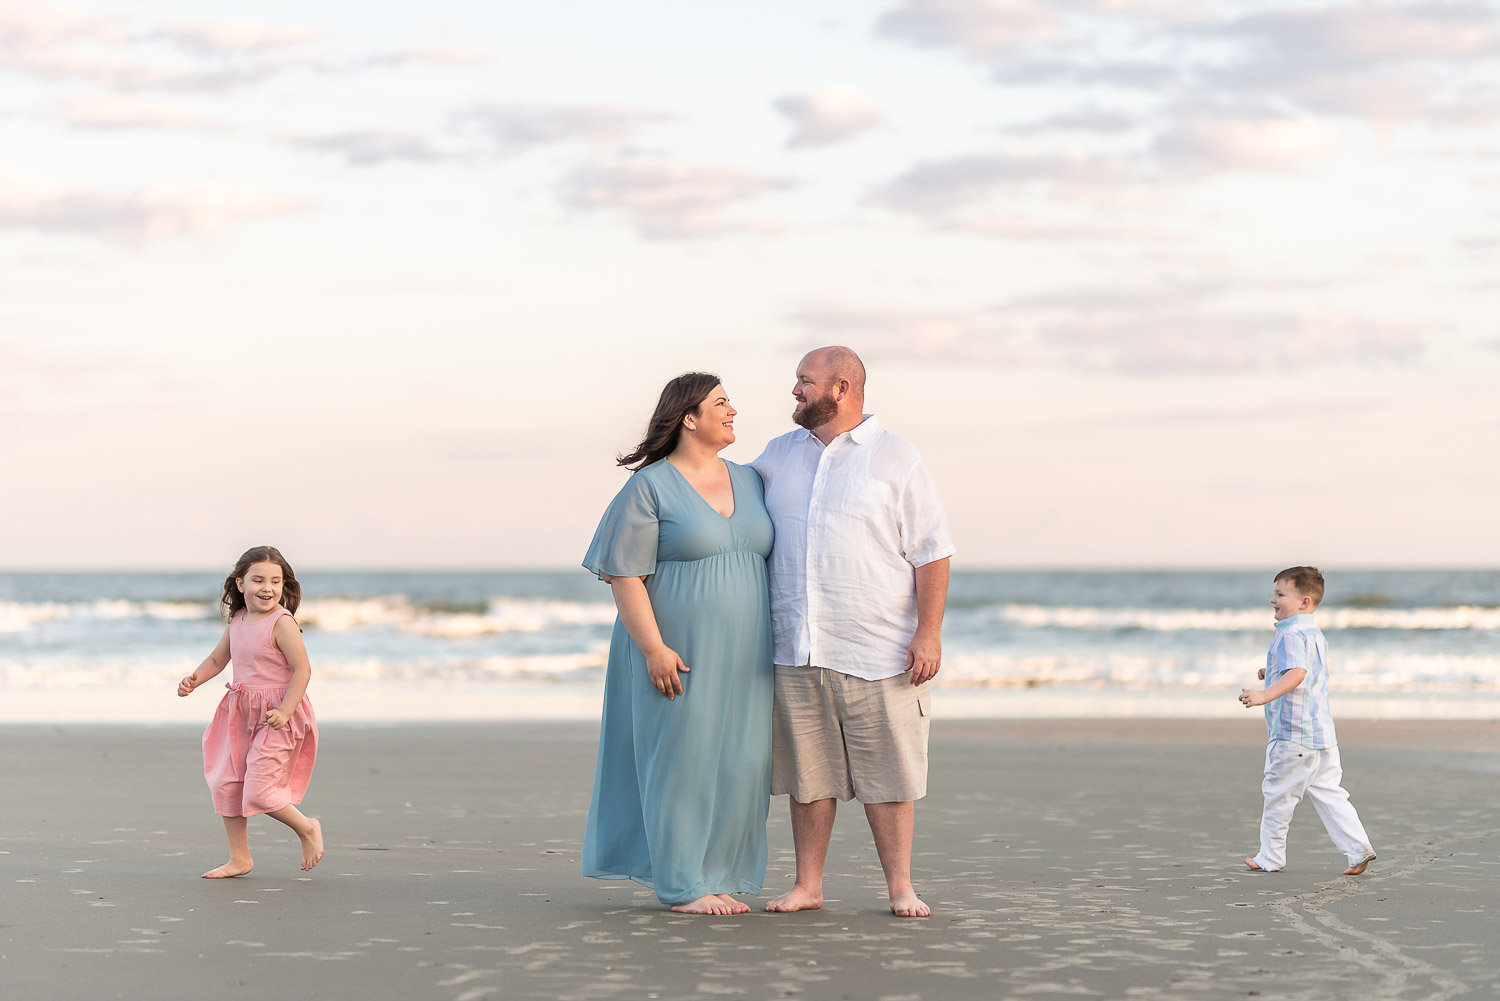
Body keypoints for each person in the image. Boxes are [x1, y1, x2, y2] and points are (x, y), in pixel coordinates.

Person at [751, 346, 954, 918]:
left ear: (841, 388)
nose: (794, 390)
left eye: (804, 381)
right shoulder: (776, 455)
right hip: (796, 646)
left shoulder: (896, 457)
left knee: (888, 777)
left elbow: (932, 553)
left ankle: (900, 888)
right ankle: (807, 885)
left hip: (879, 648)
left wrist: (928, 633)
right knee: (808, 777)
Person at [581, 373, 775, 915]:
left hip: (747, 654)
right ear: (689, 418)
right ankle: (682, 883)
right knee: (683, 763)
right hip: (676, 651)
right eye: (721, 403)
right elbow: (624, 575)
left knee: (741, 762)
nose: (733, 410)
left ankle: (717, 873)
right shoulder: (650, 486)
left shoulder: (751, 480)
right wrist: (653, 649)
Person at [177, 546, 323, 877]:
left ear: (284, 586)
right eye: (258, 580)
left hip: (279, 717)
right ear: (240, 584)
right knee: (227, 781)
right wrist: (194, 680)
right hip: (239, 713)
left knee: (259, 789)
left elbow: (303, 670)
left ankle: (308, 828)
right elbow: (218, 659)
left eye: (275, 581)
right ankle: (240, 858)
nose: (267, 588)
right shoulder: (238, 620)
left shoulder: (282, 623)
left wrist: (285, 711)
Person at [1239, 566, 1376, 875]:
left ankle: (1271, 856)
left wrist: (1264, 694)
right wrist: (1270, 671)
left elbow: (1298, 674)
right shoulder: (1313, 633)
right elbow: (1303, 669)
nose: (1272, 600)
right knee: (1330, 793)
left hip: (1293, 736)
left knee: (1278, 795)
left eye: (1280, 594)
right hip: (1323, 736)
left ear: (1304, 602)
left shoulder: (1289, 634)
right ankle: (1358, 849)